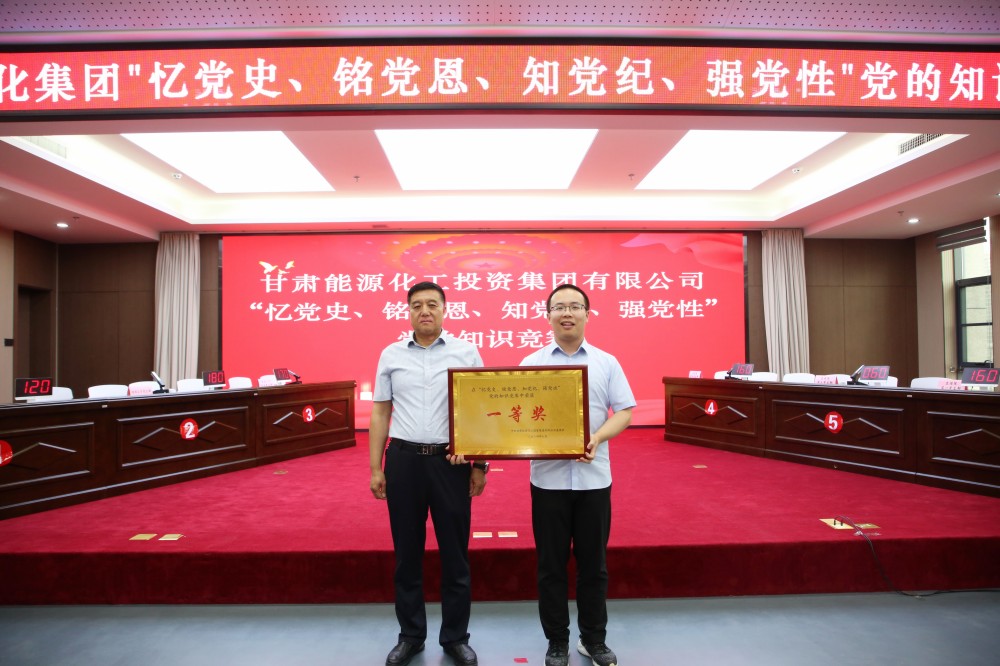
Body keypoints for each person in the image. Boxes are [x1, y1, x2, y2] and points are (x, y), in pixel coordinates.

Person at [369, 281, 489, 666]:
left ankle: (455, 638)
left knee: (455, 555)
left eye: (432, 304)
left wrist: (480, 464)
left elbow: (481, 409)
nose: (425, 311)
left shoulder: (465, 352)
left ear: (444, 309)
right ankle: (411, 636)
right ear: (408, 311)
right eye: (417, 305)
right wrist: (375, 467)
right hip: (403, 462)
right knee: (407, 555)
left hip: (449, 464)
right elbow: (380, 412)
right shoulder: (391, 355)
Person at [520, 284, 635, 666]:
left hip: (594, 481)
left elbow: (624, 411)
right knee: (550, 567)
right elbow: (514, 419)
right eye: (559, 307)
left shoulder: (606, 362)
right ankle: (557, 642)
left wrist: (597, 438)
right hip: (548, 481)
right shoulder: (530, 364)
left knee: (593, 567)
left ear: (587, 314)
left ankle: (593, 640)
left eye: (574, 306)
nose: (566, 313)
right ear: (548, 315)